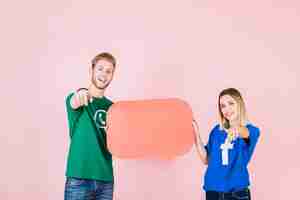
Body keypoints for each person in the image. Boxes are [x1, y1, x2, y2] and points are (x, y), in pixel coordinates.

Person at [64, 52, 116, 200]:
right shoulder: (78, 100)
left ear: (112, 76)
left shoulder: (113, 108)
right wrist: (80, 93)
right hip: (79, 179)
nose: (104, 74)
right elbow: (74, 102)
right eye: (100, 68)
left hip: (106, 180)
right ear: (91, 70)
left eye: (108, 71)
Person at [193, 88, 260, 200]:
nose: (227, 109)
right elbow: (206, 159)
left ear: (239, 104)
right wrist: (196, 135)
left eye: (231, 103)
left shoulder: (251, 130)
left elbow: (246, 133)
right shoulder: (216, 131)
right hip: (213, 192)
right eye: (223, 106)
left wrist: (237, 129)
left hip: (237, 194)